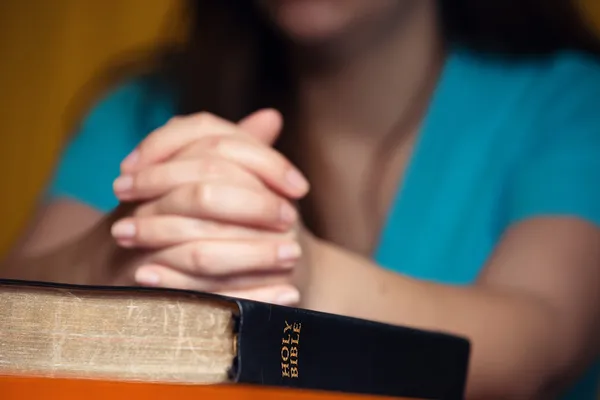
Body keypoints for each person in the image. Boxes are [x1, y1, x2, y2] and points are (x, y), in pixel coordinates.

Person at [2, 0, 600, 398]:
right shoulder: (143, 107)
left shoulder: (571, 102)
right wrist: (140, 244)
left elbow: (541, 342)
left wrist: (298, 277)